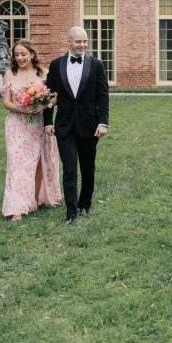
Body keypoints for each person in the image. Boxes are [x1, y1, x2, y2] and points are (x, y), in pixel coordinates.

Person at [44, 26, 109, 224]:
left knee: (88, 168)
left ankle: (84, 205)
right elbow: (48, 95)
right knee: (69, 169)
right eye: (78, 41)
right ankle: (71, 212)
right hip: (64, 126)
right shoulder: (56, 65)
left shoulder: (96, 65)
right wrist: (48, 121)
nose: (83, 45)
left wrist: (103, 122)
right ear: (69, 42)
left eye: (85, 41)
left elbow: (103, 96)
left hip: (89, 125)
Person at [1, 39, 62, 220]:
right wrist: (22, 109)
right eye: (16, 55)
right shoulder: (10, 73)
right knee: (16, 163)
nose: (20, 58)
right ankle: (16, 207)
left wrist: (43, 105)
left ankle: (35, 199)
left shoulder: (44, 73)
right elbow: (6, 102)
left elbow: (55, 97)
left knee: (39, 161)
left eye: (23, 54)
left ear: (32, 54)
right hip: (16, 124)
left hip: (39, 123)